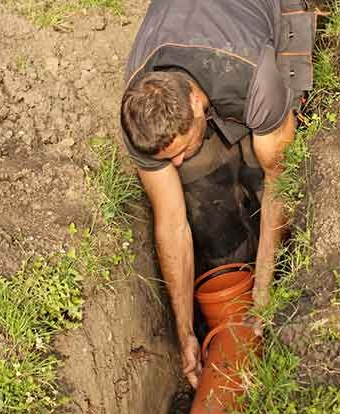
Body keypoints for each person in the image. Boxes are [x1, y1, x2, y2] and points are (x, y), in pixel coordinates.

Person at [119, 0, 315, 388]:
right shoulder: (139, 117)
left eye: (178, 149)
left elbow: (282, 180)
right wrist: (185, 332)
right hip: (195, 31)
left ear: (195, 101)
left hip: (249, 38)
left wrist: (263, 295)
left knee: (265, 167)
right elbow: (172, 224)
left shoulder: (255, 77)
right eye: (166, 157)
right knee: (205, 199)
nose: (172, 165)